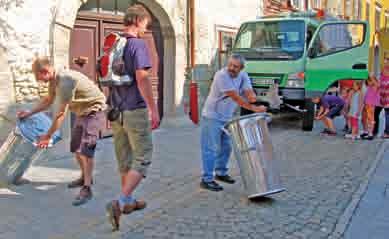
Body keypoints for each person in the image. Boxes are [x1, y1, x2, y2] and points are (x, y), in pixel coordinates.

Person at [18, 57, 106, 206]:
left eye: (39, 77)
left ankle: (87, 188)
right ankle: (85, 176)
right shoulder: (53, 80)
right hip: (81, 112)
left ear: (45, 71)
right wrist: (29, 113)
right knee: (76, 149)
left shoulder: (65, 80)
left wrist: (47, 136)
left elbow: (60, 114)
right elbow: (48, 100)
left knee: (86, 150)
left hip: (94, 111)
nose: (39, 81)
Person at [105, 5, 160, 231]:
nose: (147, 28)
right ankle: (119, 201)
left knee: (125, 157)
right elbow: (143, 78)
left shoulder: (115, 44)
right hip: (135, 109)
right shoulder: (137, 44)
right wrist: (153, 108)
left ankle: (127, 203)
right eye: (146, 23)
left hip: (115, 110)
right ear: (138, 20)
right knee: (143, 156)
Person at [200, 54, 267, 192]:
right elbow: (236, 97)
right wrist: (254, 108)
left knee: (226, 146)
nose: (231, 68)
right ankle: (207, 179)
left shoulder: (243, 75)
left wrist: (257, 101)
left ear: (241, 68)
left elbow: (248, 92)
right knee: (210, 148)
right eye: (230, 64)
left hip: (226, 116)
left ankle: (221, 172)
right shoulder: (221, 75)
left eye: (235, 66)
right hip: (212, 115)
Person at [374, 54, 389, 138]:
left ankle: (387, 133)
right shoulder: (383, 70)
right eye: (385, 60)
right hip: (380, 97)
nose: (385, 62)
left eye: (386, 60)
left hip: (387, 97)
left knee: (387, 115)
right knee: (376, 113)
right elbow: (380, 82)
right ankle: (374, 131)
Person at [361, 75, 379, 140]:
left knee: (370, 118)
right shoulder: (370, 86)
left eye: (369, 81)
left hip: (370, 104)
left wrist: (371, 76)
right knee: (365, 118)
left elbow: (375, 82)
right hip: (367, 103)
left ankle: (370, 133)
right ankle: (366, 132)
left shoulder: (375, 85)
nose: (368, 82)